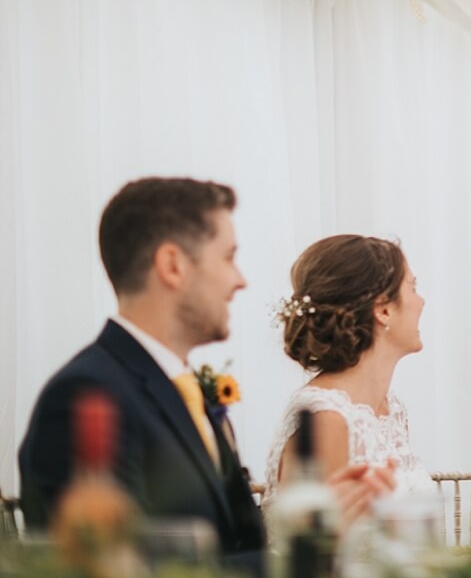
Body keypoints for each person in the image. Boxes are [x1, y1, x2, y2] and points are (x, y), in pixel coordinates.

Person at [18, 178, 391, 575]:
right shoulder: (86, 397)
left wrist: (313, 529)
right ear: (172, 265)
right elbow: (116, 566)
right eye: (228, 257)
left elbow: (233, 542)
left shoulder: (184, 391)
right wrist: (295, 557)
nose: (240, 279)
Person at [262, 235, 434, 512]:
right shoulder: (326, 418)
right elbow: (311, 546)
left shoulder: (391, 410)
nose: (422, 302)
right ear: (383, 310)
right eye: (413, 288)